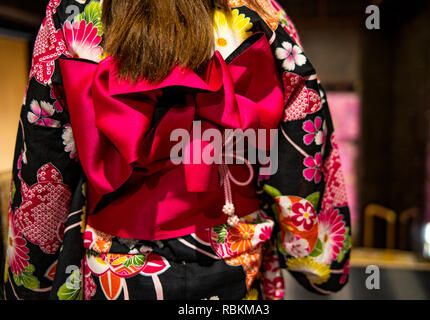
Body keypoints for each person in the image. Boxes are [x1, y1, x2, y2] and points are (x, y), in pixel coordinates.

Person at [2, 0, 351, 300]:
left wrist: (30, 275)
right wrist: (314, 255)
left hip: (113, 265)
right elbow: (304, 137)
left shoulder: (73, 12)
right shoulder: (259, 10)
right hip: (235, 251)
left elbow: (44, 161)